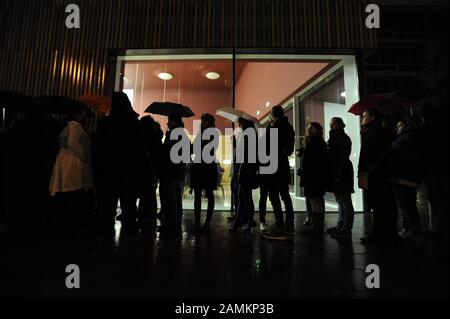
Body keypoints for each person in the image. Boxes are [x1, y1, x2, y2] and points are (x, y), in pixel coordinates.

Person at [95, 92, 142, 242]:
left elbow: (99, 147)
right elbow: (139, 149)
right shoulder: (134, 122)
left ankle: (106, 232)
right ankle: (130, 232)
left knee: (108, 202)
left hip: (110, 169)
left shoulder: (105, 123)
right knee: (128, 202)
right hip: (129, 169)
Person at [48, 107, 94, 238]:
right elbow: (72, 142)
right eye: (84, 113)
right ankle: (68, 226)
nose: (85, 116)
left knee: (65, 195)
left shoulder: (68, 126)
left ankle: (63, 225)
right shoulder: (75, 126)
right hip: (72, 166)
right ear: (78, 114)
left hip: (66, 164)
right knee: (71, 195)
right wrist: (83, 156)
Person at [358, 108, 398, 244]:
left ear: (373, 117)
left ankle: (381, 235)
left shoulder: (376, 132)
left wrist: (371, 169)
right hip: (375, 173)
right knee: (380, 205)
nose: (362, 118)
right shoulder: (372, 132)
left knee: (380, 205)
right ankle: (383, 234)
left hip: (376, 174)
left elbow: (375, 154)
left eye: (365, 116)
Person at [387, 118, 425, 239]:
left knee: (408, 205)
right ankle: (408, 228)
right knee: (405, 205)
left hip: (406, 177)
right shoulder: (405, 138)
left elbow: (405, 156)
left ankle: (413, 230)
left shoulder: (407, 138)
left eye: (399, 125)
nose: (397, 128)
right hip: (404, 177)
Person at [266, 105, 296, 233]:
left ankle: (280, 221)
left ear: (273, 115)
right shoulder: (289, 127)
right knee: (285, 194)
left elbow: (267, 143)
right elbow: (289, 150)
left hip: (273, 164)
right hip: (283, 164)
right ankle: (289, 222)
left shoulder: (273, 127)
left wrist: (270, 127)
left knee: (273, 194)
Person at [297, 122, 329, 236]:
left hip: (313, 177)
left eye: (311, 128)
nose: (308, 130)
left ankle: (317, 228)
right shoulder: (314, 142)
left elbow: (314, 163)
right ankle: (317, 226)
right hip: (313, 177)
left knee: (315, 201)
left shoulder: (316, 143)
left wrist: (304, 171)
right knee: (315, 200)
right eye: (307, 128)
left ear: (317, 130)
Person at [326, 117, 355, 239]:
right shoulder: (338, 137)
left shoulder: (340, 138)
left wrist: (338, 174)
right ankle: (341, 225)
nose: (330, 125)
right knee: (341, 200)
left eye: (332, 123)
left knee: (344, 200)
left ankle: (345, 228)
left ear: (338, 124)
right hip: (339, 171)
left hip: (341, 172)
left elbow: (340, 157)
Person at [158, 114, 187, 234]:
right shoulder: (183, 135)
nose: (167, 123)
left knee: (170, 199)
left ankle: (170, 224)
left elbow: (166, 154)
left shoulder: (173, 135)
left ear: (174, 122)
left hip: (170, 172)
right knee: (176, 199)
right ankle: (176, 222)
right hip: (179, 172)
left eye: (169, 121)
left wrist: (167, 138)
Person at [190, 113, 219, 233]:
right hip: (204, 167)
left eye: (205, 121)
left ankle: (205, 221)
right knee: (201, 194)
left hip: (204, 167)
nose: (203, 123)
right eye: (203, 121)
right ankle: (199, 221)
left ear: (210, 122)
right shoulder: (203, 133)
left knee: (207, 194)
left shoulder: (213, 133)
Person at [230, 117, 259, 233]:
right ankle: (239, 222)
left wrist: (240, 171)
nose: (238, 126)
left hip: (246, 171)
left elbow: (246, 156)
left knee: (245, 197)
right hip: (246, 170)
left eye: (240, 124)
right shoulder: (247, 136)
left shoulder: (248, 136)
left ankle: (246, 222)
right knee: (243, 197)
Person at [137, 115, 163, 231]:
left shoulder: (144, 138)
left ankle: (144, 216)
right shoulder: (156, 138)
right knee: (150, 194)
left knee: (145, 194)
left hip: (145, 170)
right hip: (152, 170)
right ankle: (149, 216)